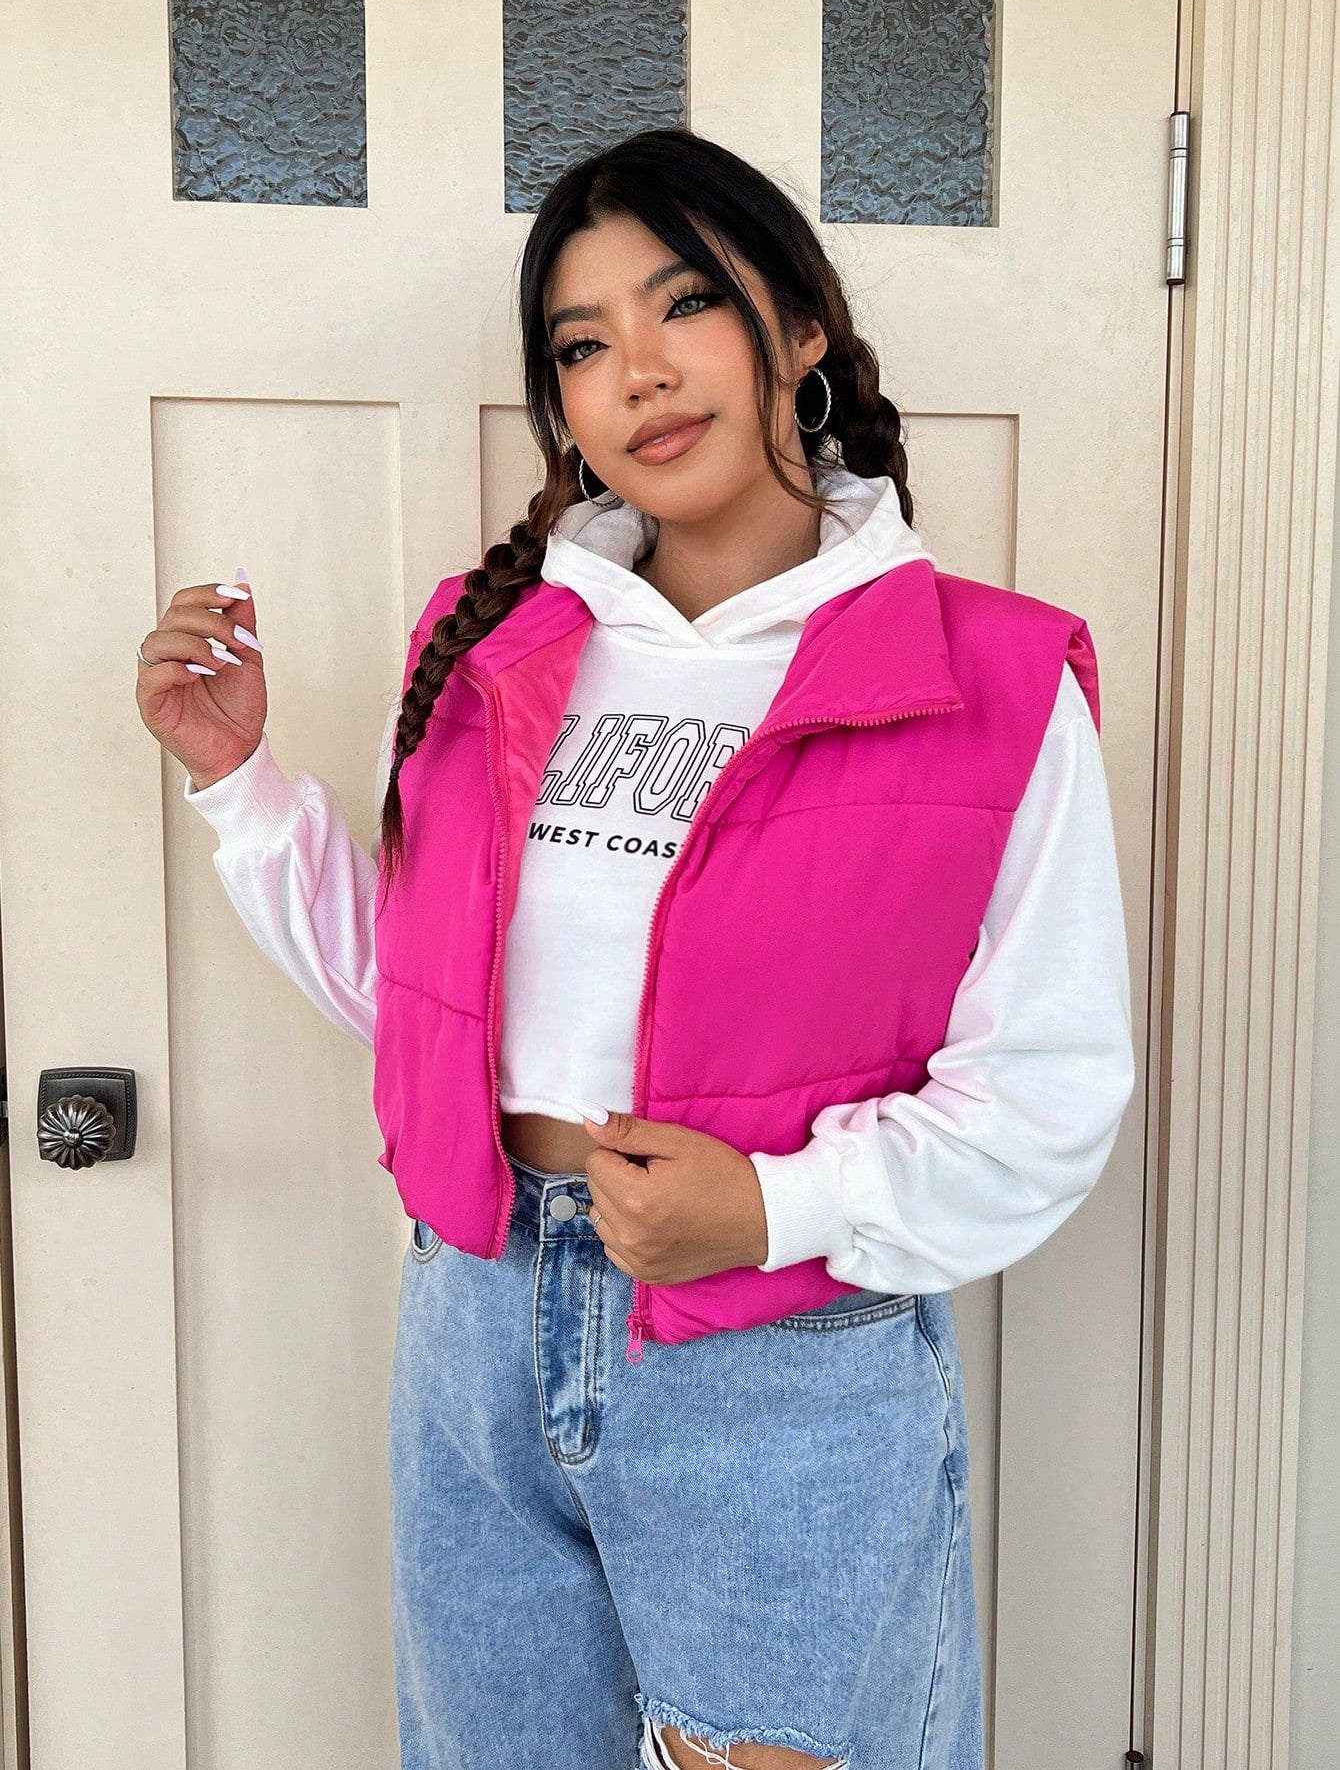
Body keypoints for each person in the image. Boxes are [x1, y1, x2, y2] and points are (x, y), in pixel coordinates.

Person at [134, 126, 1135, 1770]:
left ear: (800, 327)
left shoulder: (993, 680)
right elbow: (422, 1004)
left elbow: (1050, 1090)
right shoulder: (495, 647)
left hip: (780, 1367)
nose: (639, 373)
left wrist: (773, 1205)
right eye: (582, 344)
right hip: (474, 1327)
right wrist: (240, 780)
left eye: (685, 304)